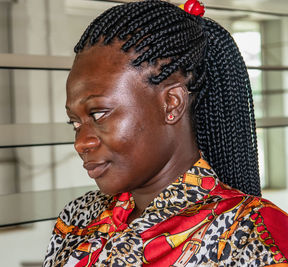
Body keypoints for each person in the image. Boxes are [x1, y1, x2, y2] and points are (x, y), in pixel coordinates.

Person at [44, 0, 288, 266]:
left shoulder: (251, 237)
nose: (81, 143)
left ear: (171, 103)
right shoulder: (77, 219)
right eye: (75, 123)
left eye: (99, 113)